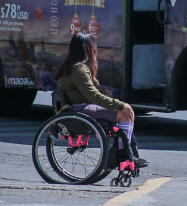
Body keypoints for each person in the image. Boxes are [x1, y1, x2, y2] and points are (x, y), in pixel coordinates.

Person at [55, 33, 148, 167]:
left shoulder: (70, 66)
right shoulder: (79, 69)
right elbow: (94, 96)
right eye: (94, 46)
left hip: (77, 107)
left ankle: (127, 153)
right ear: (88, 49)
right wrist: (120, 105)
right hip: (79, 109)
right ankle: (124, 157)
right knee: (124, 113)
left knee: (128, 112)